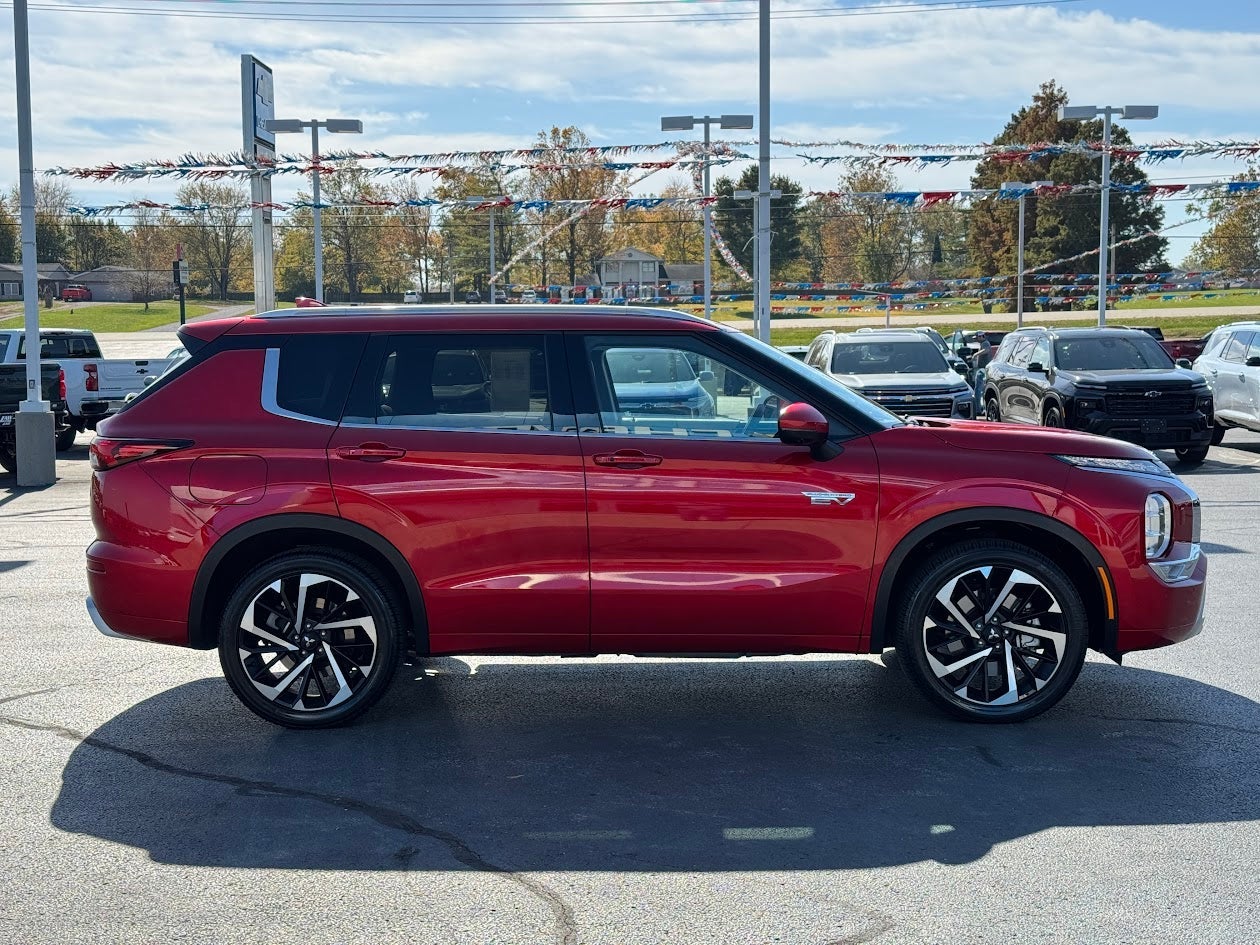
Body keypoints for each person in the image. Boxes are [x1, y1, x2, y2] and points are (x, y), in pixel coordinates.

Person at [970, 335, 994, 412]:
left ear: (981, 337)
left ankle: (978, 409)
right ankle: (981, 408)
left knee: (978, 389)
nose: (976, 340)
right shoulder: (982, 344)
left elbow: (986, 350)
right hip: (983, 369)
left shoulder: (985, 343)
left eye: (977, 338)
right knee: (981, 389)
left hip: (983, 369)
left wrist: (976, 354)